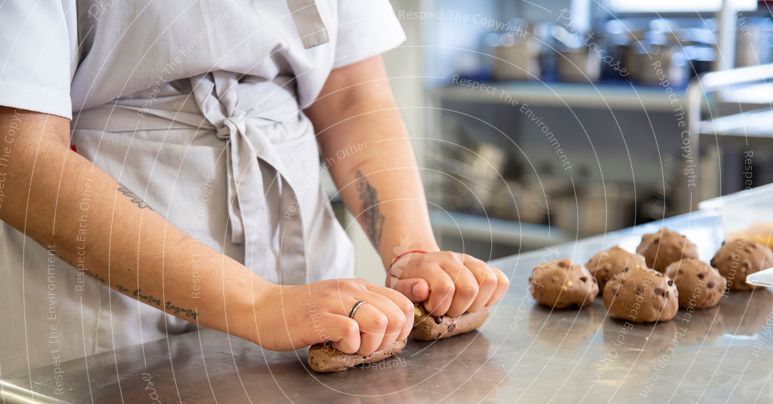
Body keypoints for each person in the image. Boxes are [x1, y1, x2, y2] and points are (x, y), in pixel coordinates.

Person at [0, 0, 509, 378]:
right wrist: (258, 305)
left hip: (311, 286)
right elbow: (20, 160)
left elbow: (352, 98)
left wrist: (411, 252)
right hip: (108, 320)